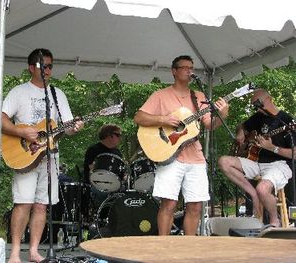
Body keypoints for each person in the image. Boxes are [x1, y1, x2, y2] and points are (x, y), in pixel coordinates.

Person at [2, 48, 83, 263]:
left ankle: (35, 251)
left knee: (41, 205)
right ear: (31, 68)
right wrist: (21, 131)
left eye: (50, 66)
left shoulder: (58, 94)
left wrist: (74, 128)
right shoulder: (18, 92)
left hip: (50, 157)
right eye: (42, 65)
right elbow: (1, 120)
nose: (47, 70)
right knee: (23, 203)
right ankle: (15, 252)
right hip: (25, 155)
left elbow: (66, 127)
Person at [134, 55, 229, 235]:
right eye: (184, 67)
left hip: (196, 157)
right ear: (174, 71)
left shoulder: (199, 96)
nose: (189, 71)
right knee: (168, 204)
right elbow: (138, 117)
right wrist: (163, 119)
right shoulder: (160, 95)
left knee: (195, 206)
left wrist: (222, 115)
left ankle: (188, 249)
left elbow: (210, 125)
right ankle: (164, 248)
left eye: (191, 67)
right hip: (170, 156)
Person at [218, 88, 296, 227]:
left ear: (270, 99)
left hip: (279, 165)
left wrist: (273, 148)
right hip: (256, 162)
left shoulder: (287, 121)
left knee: (263, 189)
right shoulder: (258, 117)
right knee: (224, 161)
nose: (256, 107)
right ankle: (252, 194)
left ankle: (274, 221)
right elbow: (243, 125)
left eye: (258, 103)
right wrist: (241, 132)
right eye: (254, 104)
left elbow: (294, 154)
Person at [83, 124, 124, 207]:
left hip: (115, 185)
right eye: (118, 135)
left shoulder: (117, 152)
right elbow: (90, 168)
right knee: (101, 193)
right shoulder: (94, 149)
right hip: (96, 185)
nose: (120, 138)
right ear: (109, 135)